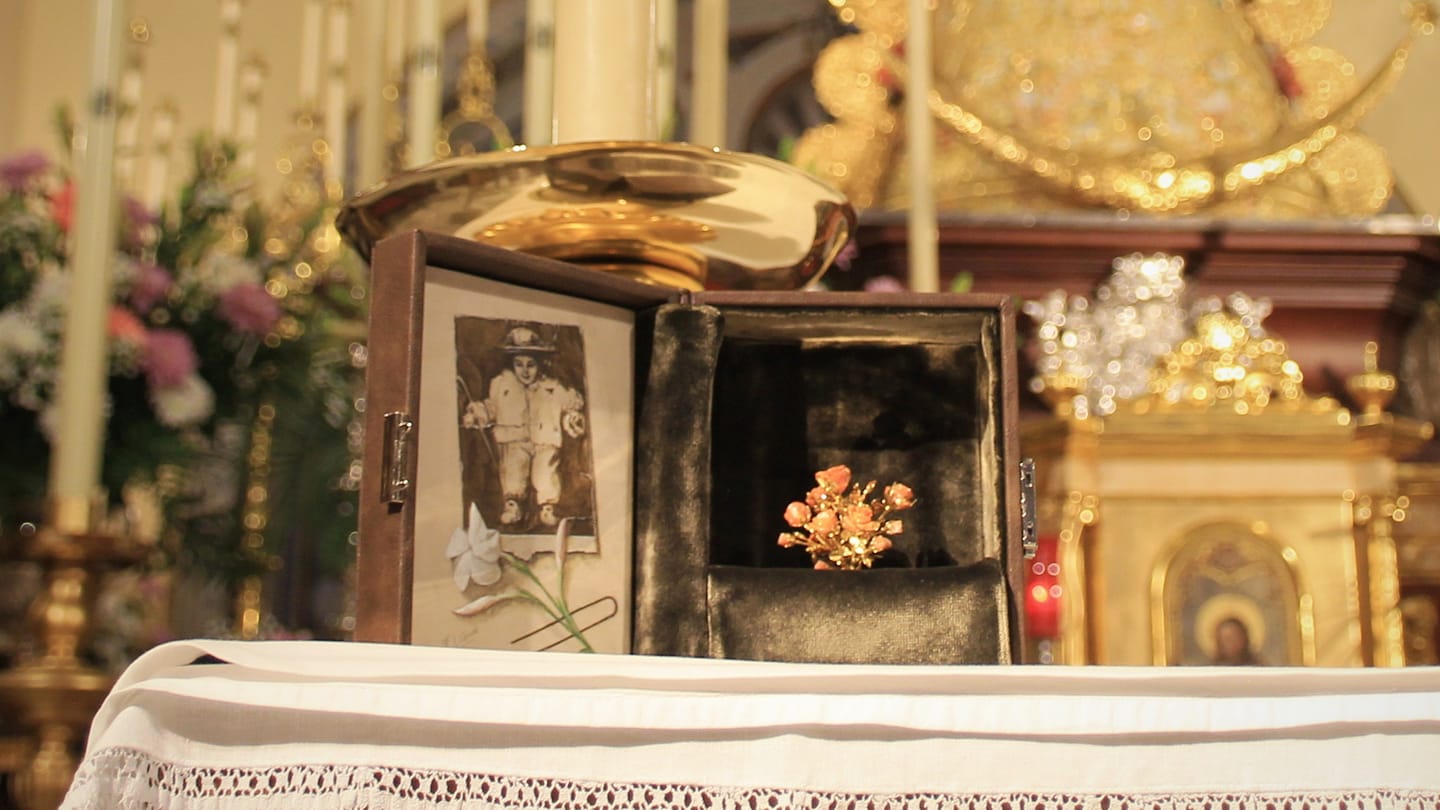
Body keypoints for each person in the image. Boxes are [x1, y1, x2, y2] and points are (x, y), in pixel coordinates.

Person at [462, 326, 586, 529]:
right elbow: (491, 407)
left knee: (546, 471)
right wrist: (477, 414)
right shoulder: (502, 385)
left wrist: (572, 420)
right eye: (519, 365)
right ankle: (513, 505)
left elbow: (570, 407)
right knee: (513, 469)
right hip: (514, 438)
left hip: (544, 439)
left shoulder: (552, 387)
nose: (525, 371)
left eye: (531, 365)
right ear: (512, 364)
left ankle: (547, 507)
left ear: (539, 365)